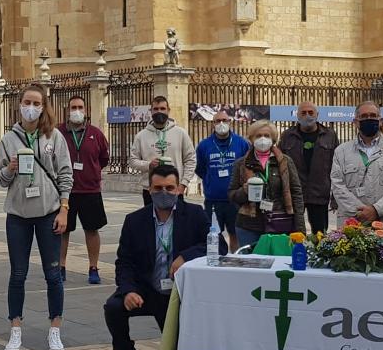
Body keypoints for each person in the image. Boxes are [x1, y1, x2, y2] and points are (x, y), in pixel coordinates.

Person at [105, 164, 225, 350]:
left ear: (179, 189)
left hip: (178, 292)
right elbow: (124, 262)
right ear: (149, 190)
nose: (164, 193)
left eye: (170, 188)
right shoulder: (134, 220)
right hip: (146, 289)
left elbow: (219, 247)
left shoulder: (195, 214)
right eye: (158, 188)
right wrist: (129, 290)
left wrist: (186, 256)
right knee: (113, 307)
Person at [0, 84, 73, 350]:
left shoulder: (54, 137)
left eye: (36, 102)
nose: (31, 107)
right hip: (18, 215)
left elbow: (65, 174)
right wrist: (9, 168)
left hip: (49, 213)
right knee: (18, 274)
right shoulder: (8, 139)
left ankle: (55, 330)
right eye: (27, 101)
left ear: (43, 106)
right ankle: (15, 329)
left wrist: (64, 209)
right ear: (19, 104)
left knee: (53, 274)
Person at [330, 102, 383, 236]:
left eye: (373, 116)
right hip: (352, 228)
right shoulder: (341, 152)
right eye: (364, 116)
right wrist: (360, 212)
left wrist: (376, 210)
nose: (369, 119)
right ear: (356, 122)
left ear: (380, 121)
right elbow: (337, 186)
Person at [228, 120, 306, 248]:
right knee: (251, 265)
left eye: (266, 135)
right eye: (258, 136)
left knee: (278, 262)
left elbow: (296, 194)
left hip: (280, 223)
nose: (262, 139)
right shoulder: (240, 164)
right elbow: (231, 195)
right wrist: (244, 191)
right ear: (251, 139)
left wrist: (300, 229)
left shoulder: (286, 162)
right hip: (249, 226)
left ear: (273, 139)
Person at [58, 95, 110, 285]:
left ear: (86, 110)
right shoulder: (59, 132)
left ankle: (93, 267)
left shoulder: (95, 133)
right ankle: (61, 266)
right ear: (68, 110)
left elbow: (104, 158)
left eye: (80, 107)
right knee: (62, 231)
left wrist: (91, 172)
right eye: (73, 107)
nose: (77, 111)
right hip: (65, 191)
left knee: (92, 230)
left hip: (90, 190)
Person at [278, 102, 338, 236]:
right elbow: (280, 164)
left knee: (320, 236)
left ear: (317, 115)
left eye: (311, 113)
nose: (307, 116)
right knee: (293, 235)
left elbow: (337, 167)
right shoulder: (287, 135)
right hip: (295, 194)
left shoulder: (330, 135)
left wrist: (335, 197)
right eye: (303, 113)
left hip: (320, 193)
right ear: (297, 115)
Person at [195, 110, 248, 252]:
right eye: (218, 121)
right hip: (213, 200)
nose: (221, 124)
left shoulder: (241, 143)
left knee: (235, 234)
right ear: (213, 124)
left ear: (230, 122)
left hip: (235, 200)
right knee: (213, 236)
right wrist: (210, 181)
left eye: (225, 120)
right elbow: (200, 168)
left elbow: (247, 168)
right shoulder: (204, 145)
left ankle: (236, 262)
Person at [128, 95, 195, 205]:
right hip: (151, 189)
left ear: (168, 110)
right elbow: (133, 161)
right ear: (151, 111)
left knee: (177, 221)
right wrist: (148, 165)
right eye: (156, 109)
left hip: (174, 188)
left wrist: (183, 184)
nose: (159, 112)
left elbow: (190, 160)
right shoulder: (141, 136)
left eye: (162, 109)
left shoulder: (181, 133)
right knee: (152, 221)